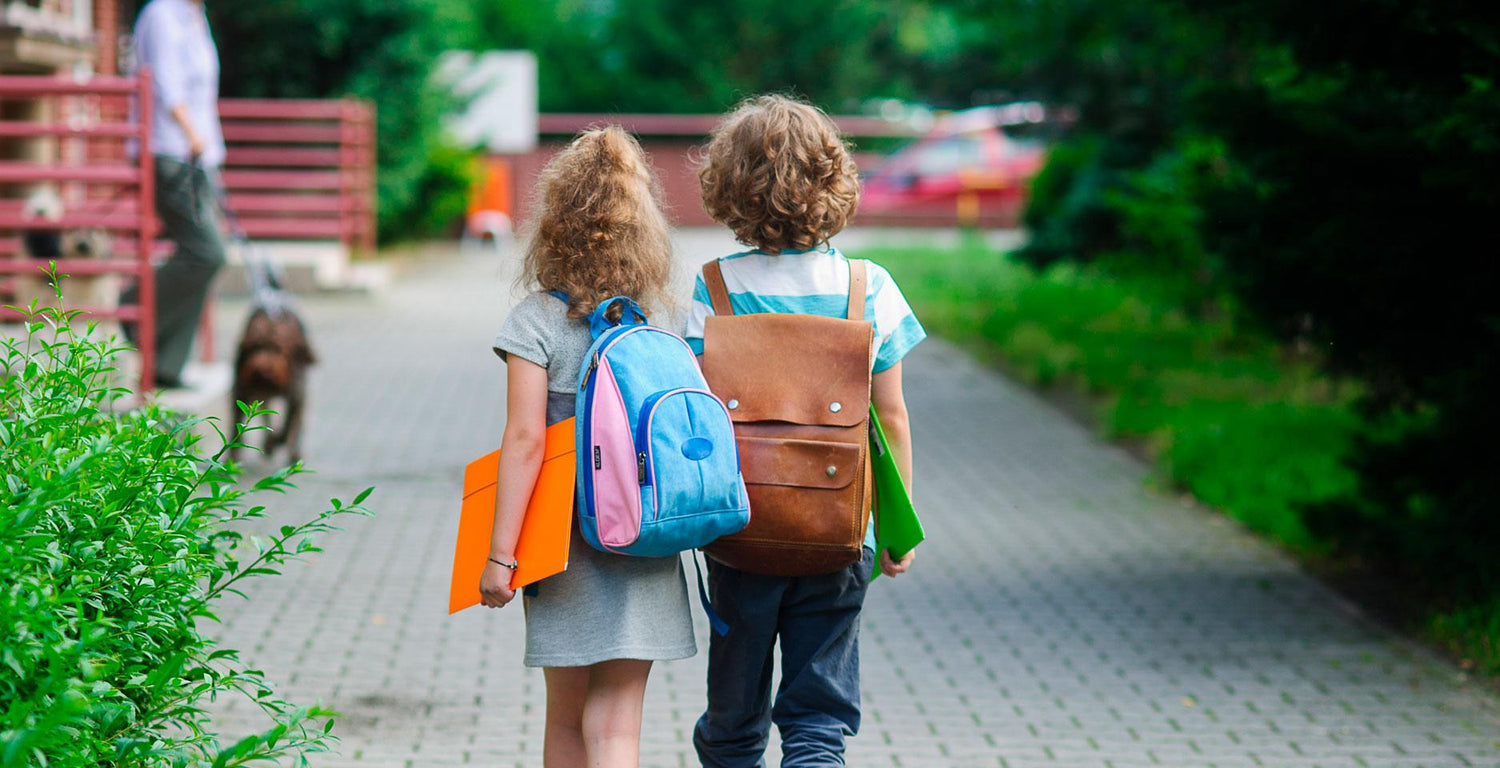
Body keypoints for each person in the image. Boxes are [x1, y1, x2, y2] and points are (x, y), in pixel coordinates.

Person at [686, 94, 926, 768]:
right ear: (834, 180)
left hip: (741, 528)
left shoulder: (713, 289)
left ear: (730, 186)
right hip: (840, 528)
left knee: (733, 722)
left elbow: (698, 417)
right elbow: (894, 417)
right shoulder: (867, 287)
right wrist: (894, 528)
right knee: (818, 721)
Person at [480, 127, 695, 768]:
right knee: (618, 723)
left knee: (565, 716)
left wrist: (500, 556)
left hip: (561, 542)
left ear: (553, 223)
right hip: (647, 536)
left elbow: (523, 442)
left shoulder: (535, 322)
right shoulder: (668, 319)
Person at [124, 0, 228, 388]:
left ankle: (168, 364)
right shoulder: (162, 14)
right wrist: (192, 135)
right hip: (170, 152)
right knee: (207, 252)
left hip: (199, 157)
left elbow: (202, 92)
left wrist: (211, 150)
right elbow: (166, 85)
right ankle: (133, 306)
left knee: (207, 256)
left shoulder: (195, 16)